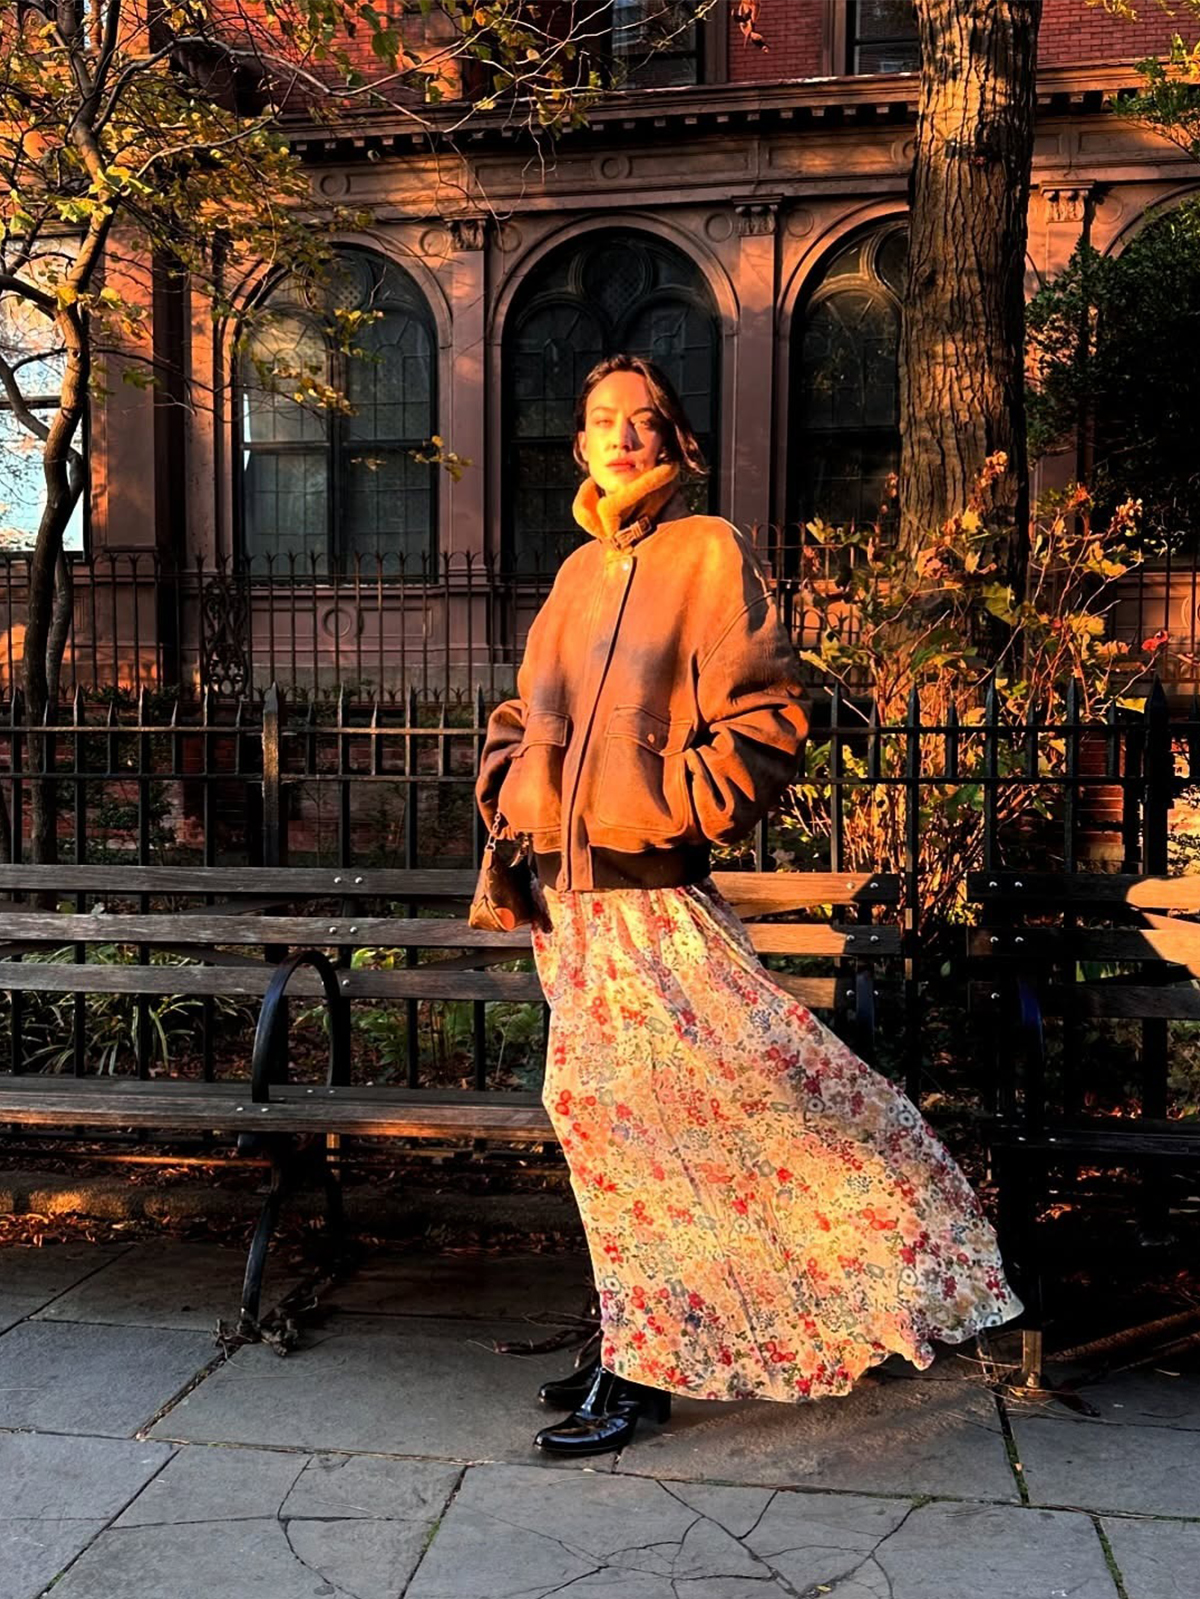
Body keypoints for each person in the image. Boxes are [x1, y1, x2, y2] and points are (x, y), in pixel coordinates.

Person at [475, 353, 1021, 1458]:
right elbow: (518, 714)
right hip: (574, 919)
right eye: (599, 423)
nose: (620, 437)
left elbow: (769, 718)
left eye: (643, 421)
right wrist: (509, 784)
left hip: (656, 908)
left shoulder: (707, 551)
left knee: (707, 1124)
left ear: (676, 442)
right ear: (577, 448)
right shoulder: (578, 574)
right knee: (609, 1138)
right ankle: (637, 1338)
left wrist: (673, 811)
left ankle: (649, 1371)